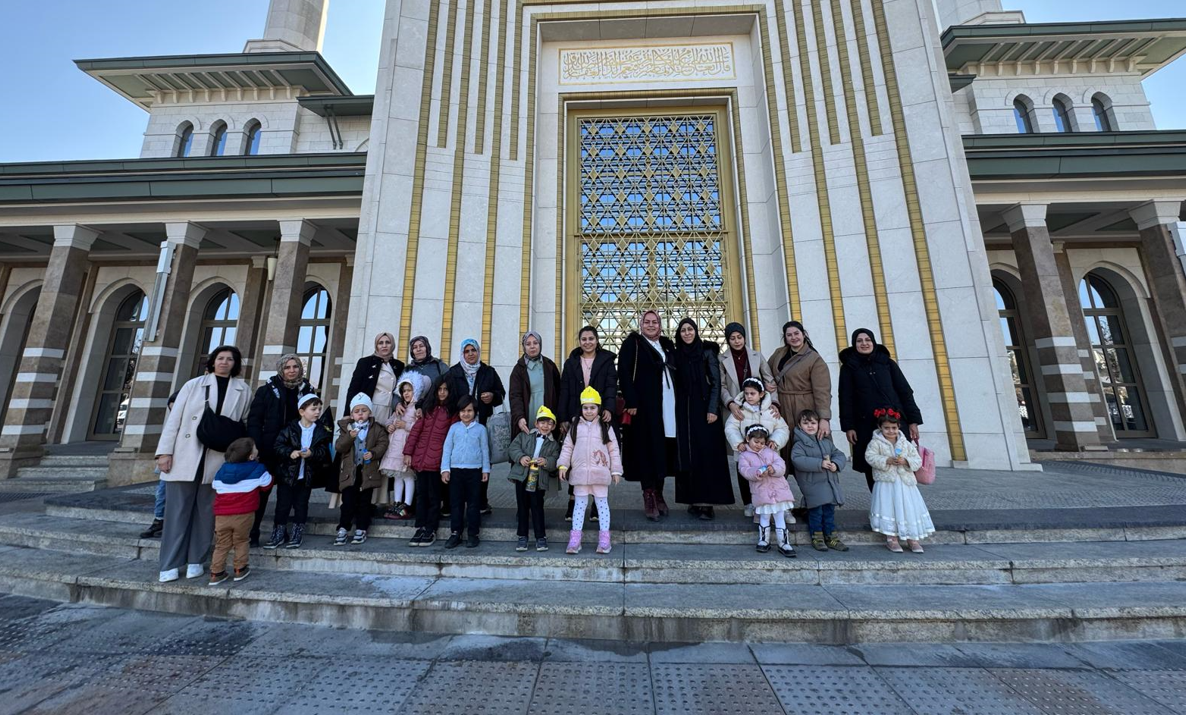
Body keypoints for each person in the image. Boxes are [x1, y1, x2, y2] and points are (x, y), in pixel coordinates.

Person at [155, 346, 251, 584]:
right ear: (212, 361)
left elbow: (244, 425)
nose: (225, 362)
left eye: (230, 359)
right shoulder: (193, 385)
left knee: (206, 514)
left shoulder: (243, 390)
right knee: (177, 513)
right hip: (186, 455)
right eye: (221, 358)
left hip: (217, 458)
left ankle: (196, 560)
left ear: (235, 364)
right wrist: (164, 452)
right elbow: (174, 421)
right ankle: (170, 563)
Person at [839, 328, 923, 491]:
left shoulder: (887, 363)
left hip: (895, 422)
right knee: (874, 465)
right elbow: (845, 398)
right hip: (866, 425)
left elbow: (905, 392)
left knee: (901, 462)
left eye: (867, 340)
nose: (864, 343)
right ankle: (881, 505)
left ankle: (905, 504)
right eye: (859, 341)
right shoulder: (849, 368)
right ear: (854, 344)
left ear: (873, 341)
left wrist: (913, 420)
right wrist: (848, 426)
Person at [246, 353, 317, 546]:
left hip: (293, 453)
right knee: (261, 493)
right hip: (268, 450)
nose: (292, 370)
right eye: (287, 367)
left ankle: (282, 531)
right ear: (281, 370)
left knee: (288, 496)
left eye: (295, 367)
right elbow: (254, 420)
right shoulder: (266, 390)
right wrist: (256, 445)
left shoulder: (308, 391)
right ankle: (253, 532)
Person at [671, 318, 734, 520]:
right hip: (684, 410)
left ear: (696, 331)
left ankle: (707, 504)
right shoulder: (676, 354)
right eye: (683, 330)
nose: (687, 333)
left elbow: (715, 382)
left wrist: (713, 408)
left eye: (690, 329)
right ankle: (693, 499)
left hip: (705, 409)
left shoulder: (707, 352)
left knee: (707, 454)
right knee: (688, 454)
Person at [617, 310, 676, 521]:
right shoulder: (633, 343)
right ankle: (648, 494)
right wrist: (631, 401)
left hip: (667, 406)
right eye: (647, 322)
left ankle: (659, 492)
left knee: (662, 449)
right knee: (646, 450)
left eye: (655, 322)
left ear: (660, 325)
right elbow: (624, 372)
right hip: (644, 407)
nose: (651, 325)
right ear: (641, 324)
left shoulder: (667, 345)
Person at [557, 325, 617, 522]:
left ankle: (596, 505)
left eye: (591, 338)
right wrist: (564, 417)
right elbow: (564, 390)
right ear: (579, 341)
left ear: (597, 340)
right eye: (584, 339)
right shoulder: (571, 362)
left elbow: (611, 386)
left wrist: (608, 408)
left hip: (598, 415)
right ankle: (573, 502)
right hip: (576, 414)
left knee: (598, 458)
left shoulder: (607, 361)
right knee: (577, 459)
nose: (588, 342)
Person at [443, 338, 504, 514]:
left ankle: (480, 502)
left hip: (482, 423)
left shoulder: (488, 371)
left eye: (473, 350)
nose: (470, 354)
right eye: (467, 351)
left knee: (483, 460)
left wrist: (492, 396)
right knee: (457, 461)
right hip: (459, 423)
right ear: (462, 353)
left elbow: (501, 393)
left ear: (478, 352)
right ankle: (452, 503)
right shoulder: (453, 372)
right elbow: (444, 394)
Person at [558, 387, 622, 555]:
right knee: (579, 506)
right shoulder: (574, 427)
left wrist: (615, 470)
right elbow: (567, 448)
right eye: (585, 407)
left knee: (602, 506)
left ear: (598, 408)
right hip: (580, 475)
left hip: (600, 474)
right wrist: (563, 465)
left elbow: (614, 449)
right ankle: (575, 539)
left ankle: (604, 539)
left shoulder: (605, 427)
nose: (589, 411)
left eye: (592, 407)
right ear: (581, 408)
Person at [267, 394, 332, 550]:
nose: (317, 412)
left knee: (301, 505)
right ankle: (278, 532)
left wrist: (312, 453)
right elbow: (278, 446)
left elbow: (324, 452)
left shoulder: (321, 431)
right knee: (282, 505)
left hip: (306, 476)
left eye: (319, 409)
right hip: (287, 476)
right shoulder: (290, 428)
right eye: (313, 409)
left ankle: (297, 533)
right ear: (302, 411)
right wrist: (290, 452)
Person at [866, 407, 932, 553]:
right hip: (886, 482)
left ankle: (912, 538)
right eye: (887, 428)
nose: (891, 431)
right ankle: (892, 538)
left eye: (894, 428)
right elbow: (870, 457)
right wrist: (886, 460)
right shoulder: (876, 443)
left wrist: (906, 461)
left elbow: (917, 460)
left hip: (905, 483)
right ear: (880, 427)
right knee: (889, 507)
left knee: (908, 508)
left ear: (899, 427)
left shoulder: (905, 443)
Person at [209, 438, 272, 585]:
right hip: (244, 514)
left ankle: (216, 573)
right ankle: (240, 569)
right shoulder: (258, 468)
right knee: (241, 541)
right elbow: (267, 484)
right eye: (255, 448)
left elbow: (215, 485)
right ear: (251, 456)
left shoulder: (223, 469)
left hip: (222, 514)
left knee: (221, 544)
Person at [767, 321, 833, 460]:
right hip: (782, 406)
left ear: (803, 334)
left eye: (797, 333)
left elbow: (822, 391)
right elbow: (766, 373)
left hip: (805, 406)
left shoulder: (814, 359)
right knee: (782, 445)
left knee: (806, 447)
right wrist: (767, 384)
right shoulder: (779, 353)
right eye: (789, 335)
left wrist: (824, 418)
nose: (794, 337)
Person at [404, 378, 457, 547]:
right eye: (439, 389)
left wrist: (447, 463)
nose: (442, 392)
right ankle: (420, 527)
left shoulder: (452, 412)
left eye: (445, 389)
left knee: (434, 497)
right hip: (421, 459)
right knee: (421, 496)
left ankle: (431, 529)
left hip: (437, 462)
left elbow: (452, 439)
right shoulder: (427, 410)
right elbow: (415, 432)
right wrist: (408, 452)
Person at [791, 409, 849, 553]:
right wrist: (819, 464)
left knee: (829, 512)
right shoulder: (799, 444)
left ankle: (831, 536)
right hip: (813, 485)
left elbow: (839, 454)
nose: (810, 426)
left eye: (813, 423)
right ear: (799, 425)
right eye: (806, 423)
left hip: (829, 484)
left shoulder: (825, 441)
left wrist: (836, 464)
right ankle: (817, 536)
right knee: (816, 513)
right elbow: (798, 460)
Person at [333, 393, 388, 546]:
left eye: (364, 410)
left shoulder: (376, 428)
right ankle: (343, 527)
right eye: (357, 411)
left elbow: (383, 443)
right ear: (352, 414)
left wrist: (374, 453)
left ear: (369, 412)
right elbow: (339, 447)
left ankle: (361, 528)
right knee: (348, 501)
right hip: (350, 473)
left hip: (368, 473)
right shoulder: (346, 428)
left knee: (364, 502)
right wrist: (350, 437)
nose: (360, 414)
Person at [736, 425, 796, 557]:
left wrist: (773, 469)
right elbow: (745, 470)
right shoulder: (744, 456)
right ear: (748, 439)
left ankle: (784, 542)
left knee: (780, 517)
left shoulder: (771, 452)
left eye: (762, 443)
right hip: (762, 493)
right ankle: (763, 540)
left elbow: (781, 465)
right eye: (756, 442)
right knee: (764, 516)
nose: (759, 445)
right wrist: (756, 473)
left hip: (779, 492)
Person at [508, 406, 561, 552]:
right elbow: (513, 448)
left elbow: (555, 459)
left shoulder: (554, 444)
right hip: (522, 476)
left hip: (539, 478)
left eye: (550, 423)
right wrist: (521, 457)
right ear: (536, 424)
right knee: (522, 506)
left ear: (554, 426)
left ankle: (540, 537)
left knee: (537, 507)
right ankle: (522, 536)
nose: (546, 426)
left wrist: (546, 461)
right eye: (542, 422)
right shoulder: (524, 435)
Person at [441, 396, 490, 549]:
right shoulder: (454, 428)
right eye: (463, 411)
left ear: (475, 412)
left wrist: (485, 469)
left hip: (474, 471)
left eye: (469, 411)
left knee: (474, 504)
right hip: (456, 471)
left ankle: (473, 534)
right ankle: (455, 533)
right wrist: (445, 469)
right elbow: (447, 448)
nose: (466, 414)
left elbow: (485, 450)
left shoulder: (481, 429)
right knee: (456, 503)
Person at [379, 375, 428, 520]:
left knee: (407, 476)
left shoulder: (416, 408)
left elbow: (420, 427)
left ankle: (407, 504)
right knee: (397, 476)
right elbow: (389, 420)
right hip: (395, 447)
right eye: (404, 391)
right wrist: (390, 426)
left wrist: (405, 426)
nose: (406, 393)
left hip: (407, 448)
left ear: (416, 391)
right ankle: (397, 502)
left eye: (409, 390)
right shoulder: (400, 407)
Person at [141, 390, 180, 539]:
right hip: (169, 464)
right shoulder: (171, 425)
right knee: (162, 492)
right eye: (172, 409)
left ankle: (170, 523)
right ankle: (159, 520)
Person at [724, 378, 791, 465]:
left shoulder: (771, 411)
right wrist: (738, 443)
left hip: (768, 456)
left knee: (766, 477)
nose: (749, 396)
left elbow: (783, 429)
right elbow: (730, 427)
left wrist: (775, 441)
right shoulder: (739, 411)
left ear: (761, 394)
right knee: (744, 477)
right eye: (746, 393)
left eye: (752, 393)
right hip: (744, 455)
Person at [509, 330, 562, 437]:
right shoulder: (519, 369)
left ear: (540, 344)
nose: (532, 346)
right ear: (524, 347)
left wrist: (560, 417)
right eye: (528, 344)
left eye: (535, 343)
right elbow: (515, 396)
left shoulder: (549, 365)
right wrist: (519, 417)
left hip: (548, 414)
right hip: (528, 415)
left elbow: (559, 392)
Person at [344, 332, 406, 423]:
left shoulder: (399, 365)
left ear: (392, 345)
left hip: (391, 410)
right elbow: (353, 388)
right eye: (380, 343)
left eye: (387, 342)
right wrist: (347, 413)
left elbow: (401, 389)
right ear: (376, 346)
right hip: (371, 409)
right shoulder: (365, 362)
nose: (384, 345)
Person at [405, 335, 450, 403]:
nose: (418, 349)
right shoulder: (408, 369)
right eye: (415, 347)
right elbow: (399, 389)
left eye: (421, 346)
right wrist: (397, 403)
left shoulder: (439, 366)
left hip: (435, 408)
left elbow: (451, 384)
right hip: (414, 408)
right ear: (412, 352)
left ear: (427, 348)